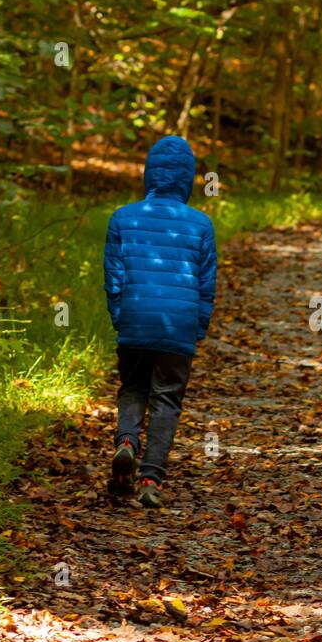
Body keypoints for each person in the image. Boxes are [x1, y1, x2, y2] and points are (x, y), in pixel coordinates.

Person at [103, 136, 217, 509]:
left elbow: (113, 275)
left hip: (135, 321)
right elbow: (206, 282)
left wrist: (120, 315)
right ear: (188, 178)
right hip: (177, 327)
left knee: (133, 387)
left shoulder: (122, 217)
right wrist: (198, 326)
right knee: (167, 399)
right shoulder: (201, 225)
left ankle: (126, 442)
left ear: (148, 174)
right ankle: (150, 478)